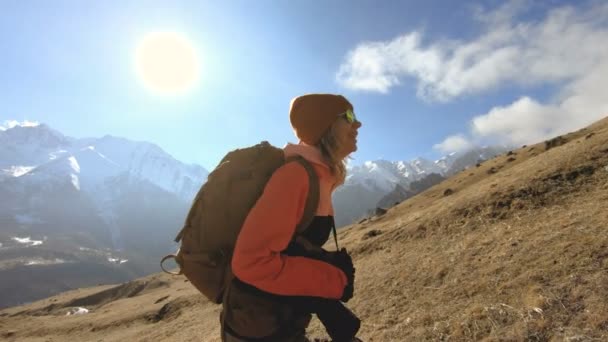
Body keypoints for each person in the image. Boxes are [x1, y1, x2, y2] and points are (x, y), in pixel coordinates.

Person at [221, 93, 363, 342]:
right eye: (349, 116)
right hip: (257, 327)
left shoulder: (319, 177)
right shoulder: (295, 176)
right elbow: (251, 262)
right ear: (325, 125)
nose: (357, 124)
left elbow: (291, 249)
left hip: (279, 320)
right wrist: (329, 278)